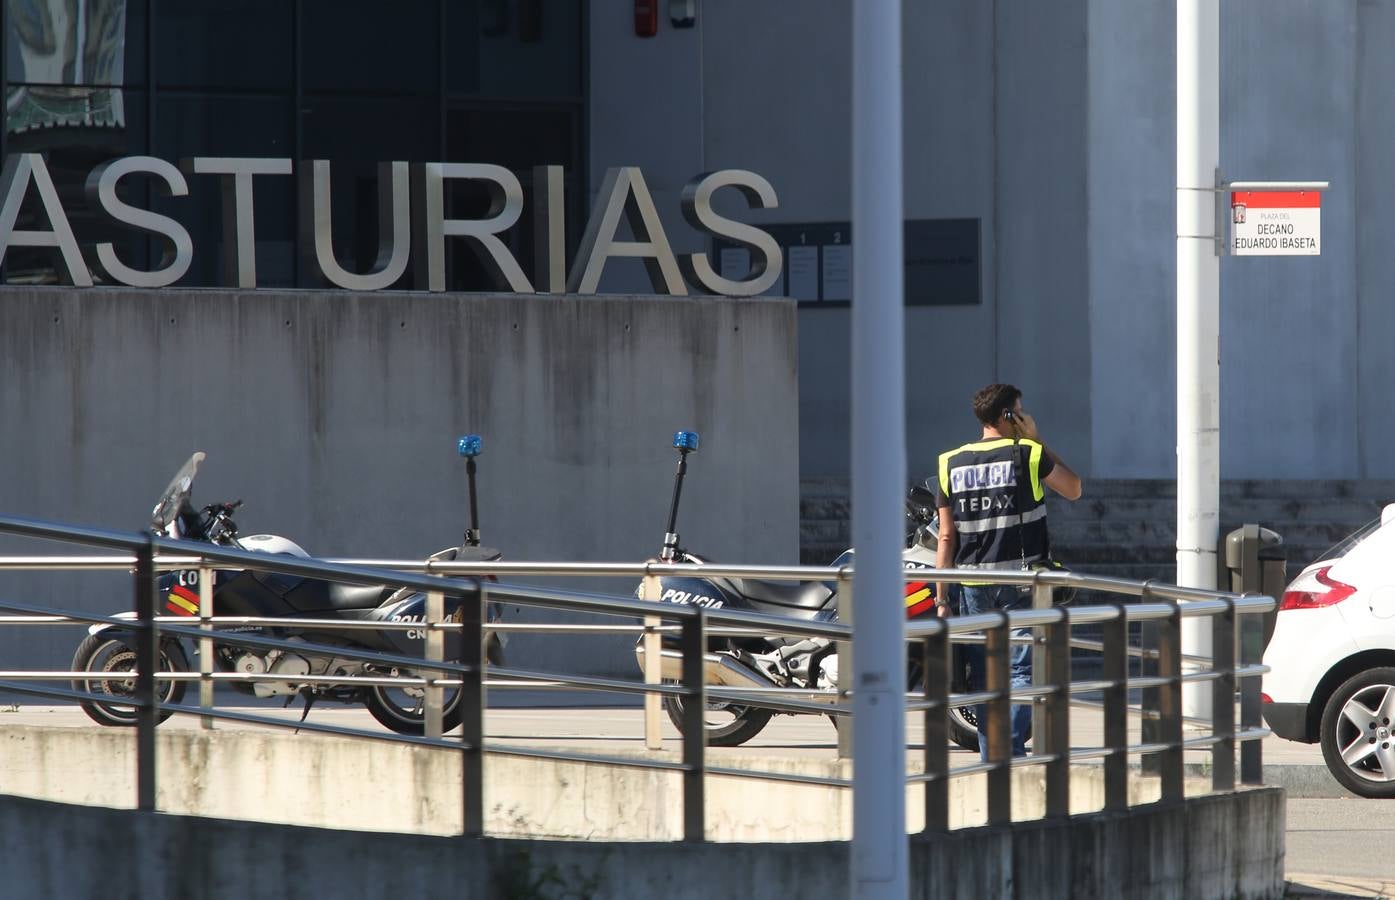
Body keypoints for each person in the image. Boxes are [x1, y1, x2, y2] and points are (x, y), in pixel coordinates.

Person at [931, 383, 1082, 760]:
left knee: (984, 678)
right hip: (1020, 583)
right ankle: (1007, 753)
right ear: (1008, 417)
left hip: (970, 586)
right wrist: (1037, 438)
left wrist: (941, 597)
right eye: (1020, 410)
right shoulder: (1028, 453)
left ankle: (992, 758)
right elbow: (1074, 488)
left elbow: (946, 537)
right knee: (1019, 673)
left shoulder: (950, 461)